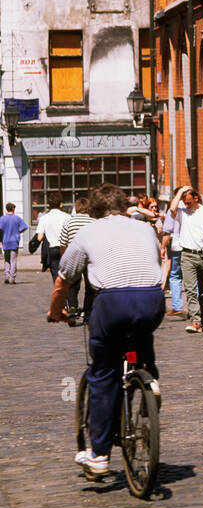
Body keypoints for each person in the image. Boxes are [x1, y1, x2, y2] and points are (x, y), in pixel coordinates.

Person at [48, 185, 164, 480]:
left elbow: (63, 280)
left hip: (111, 304)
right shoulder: (145, 229)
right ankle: (148, 377)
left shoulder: (87, 232)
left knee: (102, 374)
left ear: (94, 212)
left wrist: (55, 312)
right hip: (151, 299)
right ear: (126, 207)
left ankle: (99, 455)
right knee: (141, 333)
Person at [166, 185, 203, 332]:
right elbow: (172, 210)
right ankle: (195, 321)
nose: (186, 205)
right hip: (187, 255)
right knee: (191, 290)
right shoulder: (182, 213)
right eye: (184, 202)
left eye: (189, 202)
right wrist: (180, 192)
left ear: (196, 198)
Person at [58, 195, 93, 322]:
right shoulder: (93, 222)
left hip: (74, 256)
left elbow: (63, 243)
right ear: (88, 209)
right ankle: (88, 312)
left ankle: (72, 308)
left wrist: (64, 258)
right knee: (90, 287)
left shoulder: (68, 222)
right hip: (89, 257)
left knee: (72, 285)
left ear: (76, 209)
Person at [36, 194, 70, 284]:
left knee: (56, 276)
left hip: (52, 250)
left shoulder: (44, 218)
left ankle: (59, 295)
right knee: (67, 275)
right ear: (60, 204)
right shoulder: (67, 217)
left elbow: (39, 237)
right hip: (65, 248)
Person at [2, 202, 28, 284]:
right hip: (14, 241)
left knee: (6, 260)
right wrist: (18, 232)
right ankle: (12, 278)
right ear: (13, 209)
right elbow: (24, 227)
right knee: (13, 260)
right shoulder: (17, 218)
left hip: (5, 241)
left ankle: (7, 275)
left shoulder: (2, 219)